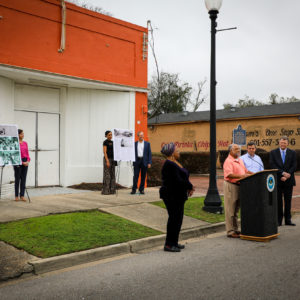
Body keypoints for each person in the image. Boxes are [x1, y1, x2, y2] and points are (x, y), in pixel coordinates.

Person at [159, 143, 194, 252]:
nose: (179, 152)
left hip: (178, 195)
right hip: (171, 195)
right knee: (174, 219)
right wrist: (190, 186)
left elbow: (184, 175)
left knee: (178, 219)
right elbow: (177, 180)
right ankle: (169, 245)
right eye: (177, 150)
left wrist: (189, 186)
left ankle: (174, 242)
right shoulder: (169, 164)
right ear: (172, 153)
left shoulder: (175, 163)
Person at [223, 144, 252, 238]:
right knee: (230, 209)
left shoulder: (239, 160)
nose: (238, 151)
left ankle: (235, 229)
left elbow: (245, 171)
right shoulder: (228, 161)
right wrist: (241, 176)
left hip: (240, 186)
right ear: (231, 151)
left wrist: (255, 174)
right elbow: (229, 174)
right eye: (236, 149)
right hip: (231, 186)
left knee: (236, 210)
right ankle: (230, 231)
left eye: (239, 149)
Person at [270, 136, 297, 226]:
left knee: (288, 201)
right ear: (279, 143)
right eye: (281, 142)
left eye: (285, 143)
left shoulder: (292, 153)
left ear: (287, 143)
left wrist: (288, 174)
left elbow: (294, 165)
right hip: (278, 180)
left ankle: (288, 220)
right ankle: (278, 221)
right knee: (278, 201)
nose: (283, 144)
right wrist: (282, 173)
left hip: (289, 180)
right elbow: (272, 164)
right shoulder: (273, 152)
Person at [14, 129, 30, 202]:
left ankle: (22, 195)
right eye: (21, 134)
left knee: (23, 179)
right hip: (18, 162)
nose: (23, 135)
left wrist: (28, 161)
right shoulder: (15, 143)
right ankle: (16, 196)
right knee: (17, 179)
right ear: (18, 135)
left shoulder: (25, 143)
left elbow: (27, 154)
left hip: (25, 161)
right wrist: (21, 162)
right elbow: (15, 154)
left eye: (23, 134)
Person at [102, 130, 116, 195]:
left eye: (111, 135)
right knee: (107, 175)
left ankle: (112, 190)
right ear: (106, 136)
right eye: (109, 135)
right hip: (107, 159)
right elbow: (104, 152)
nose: (110, 136)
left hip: (113, 159)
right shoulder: (105, 142)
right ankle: (106, 191)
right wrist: (107, 161)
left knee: (113, 175)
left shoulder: (113, 142)